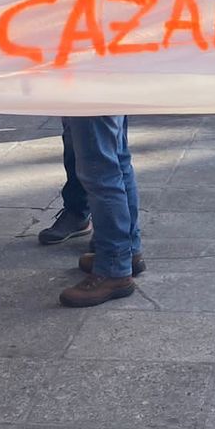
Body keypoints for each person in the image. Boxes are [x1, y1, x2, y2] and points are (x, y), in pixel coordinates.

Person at [56, 116, 144, 306]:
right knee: (116, 158)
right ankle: (127, 252)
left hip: (88, 92)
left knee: (99, 169)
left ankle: (114, 266)